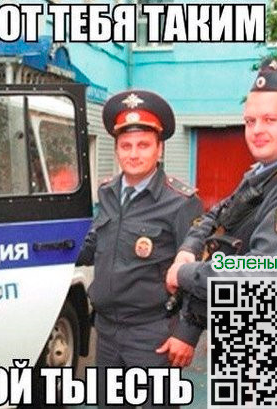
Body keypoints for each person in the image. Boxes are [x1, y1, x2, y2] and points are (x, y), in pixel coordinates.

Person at [165, 59, 277, 333]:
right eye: (250, 121)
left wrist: (184, 273)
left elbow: (263, 275)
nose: (257, 130)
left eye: (270, 120)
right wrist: (189, 250)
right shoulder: (265, 174)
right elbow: (217, 215)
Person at [76, 90, 204, 408]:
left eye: (143, 145)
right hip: (106, 332)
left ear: (159, 149)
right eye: (126, 146)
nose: (133, 154)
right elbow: (92, 246)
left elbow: (198, 275)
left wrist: (187, 334)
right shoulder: (107, 192)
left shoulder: (181, 202)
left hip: (152, 336)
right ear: (117, 149)